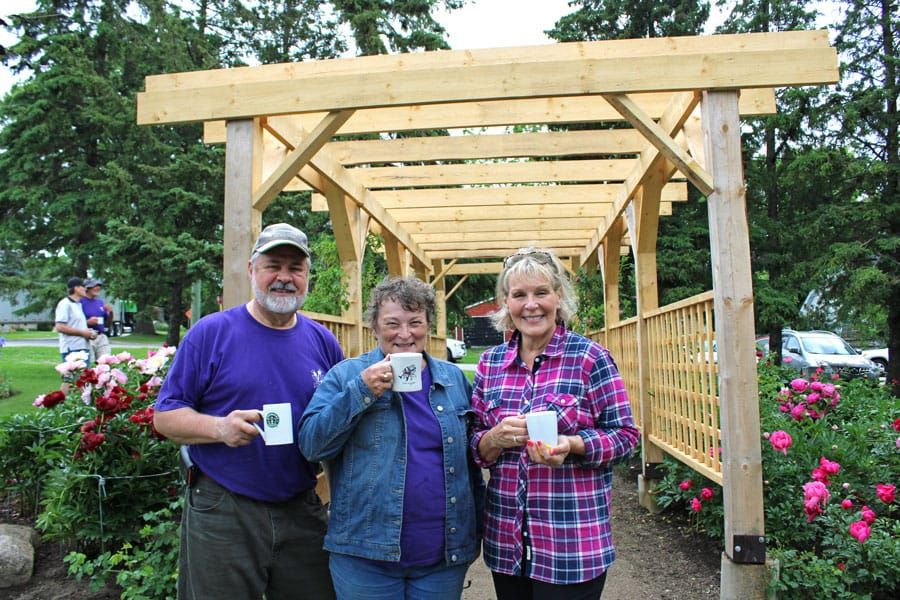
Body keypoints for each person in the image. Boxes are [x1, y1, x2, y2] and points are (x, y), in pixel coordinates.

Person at [153, 223, 344, 600]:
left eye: (295, 268)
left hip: (302, 507)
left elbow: (338, 425)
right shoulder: (212, 333)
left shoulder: (322, 341)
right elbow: (164, 416)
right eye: (274, 265)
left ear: (307, 277)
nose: (284, 278)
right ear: (251, 270)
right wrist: (220, 428)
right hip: (226, 507)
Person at [299, 276, 484, 600]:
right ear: (374, 326)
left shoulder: (453, 379)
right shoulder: (346, 375)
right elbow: (312, 445)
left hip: (441, 558)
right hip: (364, 557)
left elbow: (471, 464)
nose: (404, 334)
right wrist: (360, 392)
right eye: (392, 323)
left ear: (428, 325)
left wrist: (473, 533)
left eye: (415, 322)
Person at [470, 247, 639, 600]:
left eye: (541, 293)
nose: (531, 305)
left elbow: (625, 437)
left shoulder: (590, 358)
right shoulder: (490, 364)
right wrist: (495, 438)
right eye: (519, 295)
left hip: (571, 544)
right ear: (506, 302)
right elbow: (474, 444)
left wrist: (573, 445)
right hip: (507, 545)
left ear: (558, 297)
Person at [54, 277, 97, 363]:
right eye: (83, 286)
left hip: (83, 347)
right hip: (72, 349)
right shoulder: (65, 304)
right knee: (73, 376)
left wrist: (90, 333)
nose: (85, 289)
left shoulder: (78, 305)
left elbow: (76, 325)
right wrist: (83, 333)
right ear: (76, 288)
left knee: (84, 376)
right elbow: (60, 327)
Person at [80, 278, 113, 362]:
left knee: (106, 362)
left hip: (101, 336)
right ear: (87, 288)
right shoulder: (80, 302)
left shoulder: (100, 303)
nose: (98, 288)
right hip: (88, 336)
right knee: (89, 364)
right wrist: (88, 322)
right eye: (95, 286)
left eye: (99, 286)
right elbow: (75, 322)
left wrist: (111, 312)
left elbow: (108, 322)